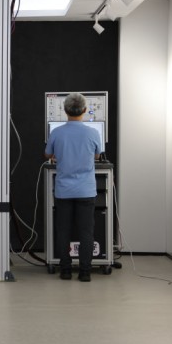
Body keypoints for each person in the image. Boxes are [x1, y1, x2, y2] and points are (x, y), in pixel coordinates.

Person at [44, 93, 101, 282]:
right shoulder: (93, 133)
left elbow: (48, 154)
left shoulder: (56, 132)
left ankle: (66, 270)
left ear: (65, 110)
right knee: (86, 232)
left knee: (64, 231)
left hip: (64, 191)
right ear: (84, 110)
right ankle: (85, 272)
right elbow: (97, 155)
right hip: (86, 190)